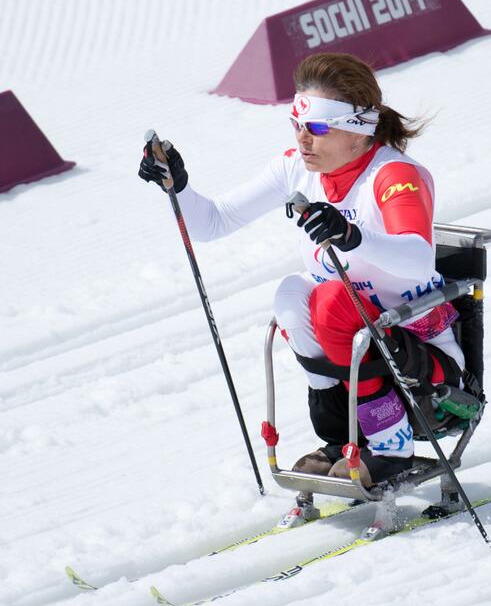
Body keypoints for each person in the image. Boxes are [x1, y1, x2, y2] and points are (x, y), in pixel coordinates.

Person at [138, 53, 464, 487]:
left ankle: (392, 448)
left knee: (331, 300)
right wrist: (177, 186)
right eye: (297, 124)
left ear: (358, 128)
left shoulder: (394, 174)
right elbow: (212, 223)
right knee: (291, 296)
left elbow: (418, 257)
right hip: (355, 343)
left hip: (420, 357)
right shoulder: (295, 167)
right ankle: (339, 438)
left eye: (317, 128)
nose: (303, 138)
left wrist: (353, 236)